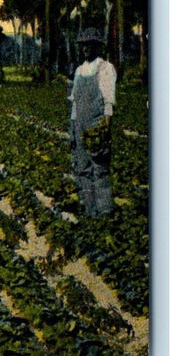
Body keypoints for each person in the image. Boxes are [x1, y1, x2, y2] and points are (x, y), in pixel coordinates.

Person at [69, 28, 116, 217]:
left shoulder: (104, 68)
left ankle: (104, 211)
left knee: (100, 169)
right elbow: (75, 103)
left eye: (88, 45)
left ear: (97, 46)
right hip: (80, 126)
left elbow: (108, 100)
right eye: (82, 46)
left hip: (97, 126)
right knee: (82, 169)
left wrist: (105, 125)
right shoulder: (80, 71)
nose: (85, 49)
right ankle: (89, 210)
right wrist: (72, 128)